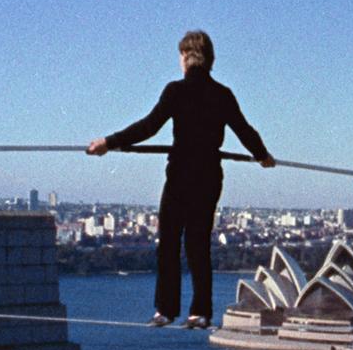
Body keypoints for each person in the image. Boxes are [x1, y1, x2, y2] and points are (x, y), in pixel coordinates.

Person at [87, 30, 274, 329]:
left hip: (180, 175)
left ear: (186, 57)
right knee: (198, 244)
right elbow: (244, 130)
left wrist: (108, 142)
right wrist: (263, 156)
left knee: (170, 242)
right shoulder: (222, 94)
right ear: (210, 60)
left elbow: (147, 127)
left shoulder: (175, 91)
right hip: (209, 176)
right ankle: (200, 313)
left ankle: (165, 310)